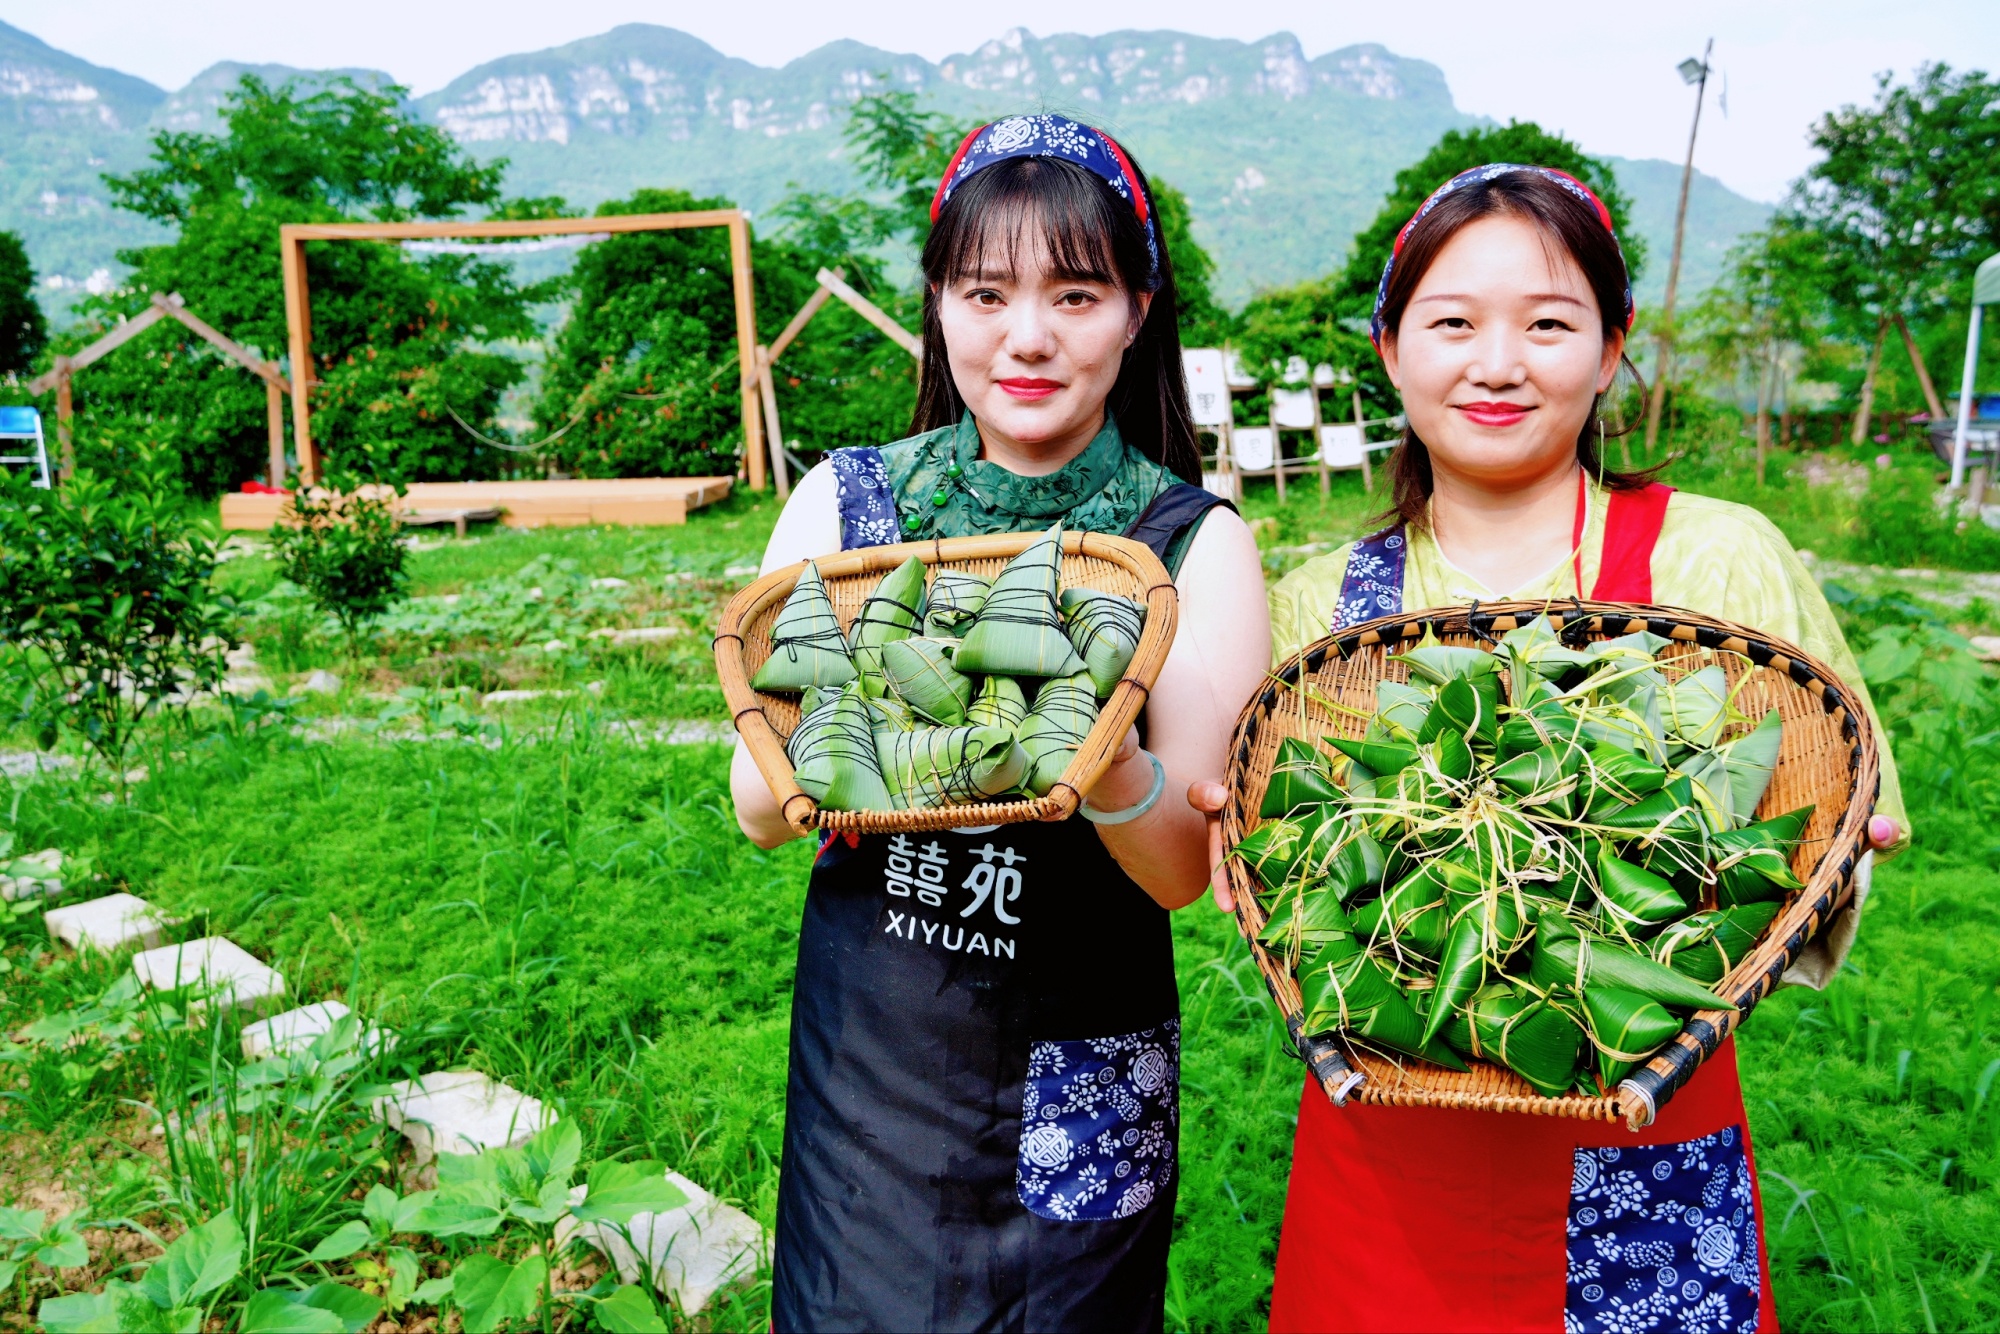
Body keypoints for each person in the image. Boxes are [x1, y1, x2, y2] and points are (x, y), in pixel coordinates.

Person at [1187, 164, 1906, 1334]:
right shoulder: (1321, 604)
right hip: (1387, 1140)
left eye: (1549, 323)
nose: (1497, 361)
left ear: (1613, 345)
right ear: (1388, 348)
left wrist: (1827, 856)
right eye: (1453, 321)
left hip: (1646, 1122)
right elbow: (1282, 857)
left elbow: (1824, 819)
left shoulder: (1715, 561)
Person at [731, 115, 1270, 1332]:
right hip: (874, 1065)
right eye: (985, 292)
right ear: (937, 304)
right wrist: (850, 699)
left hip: (1085, 1058)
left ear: (1136, 310)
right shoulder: (847, 501)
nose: (1025, 336)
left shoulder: (1192, 542)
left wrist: (1097, 739)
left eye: (1075, 293)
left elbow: (1186, 869)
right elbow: (757, 806)